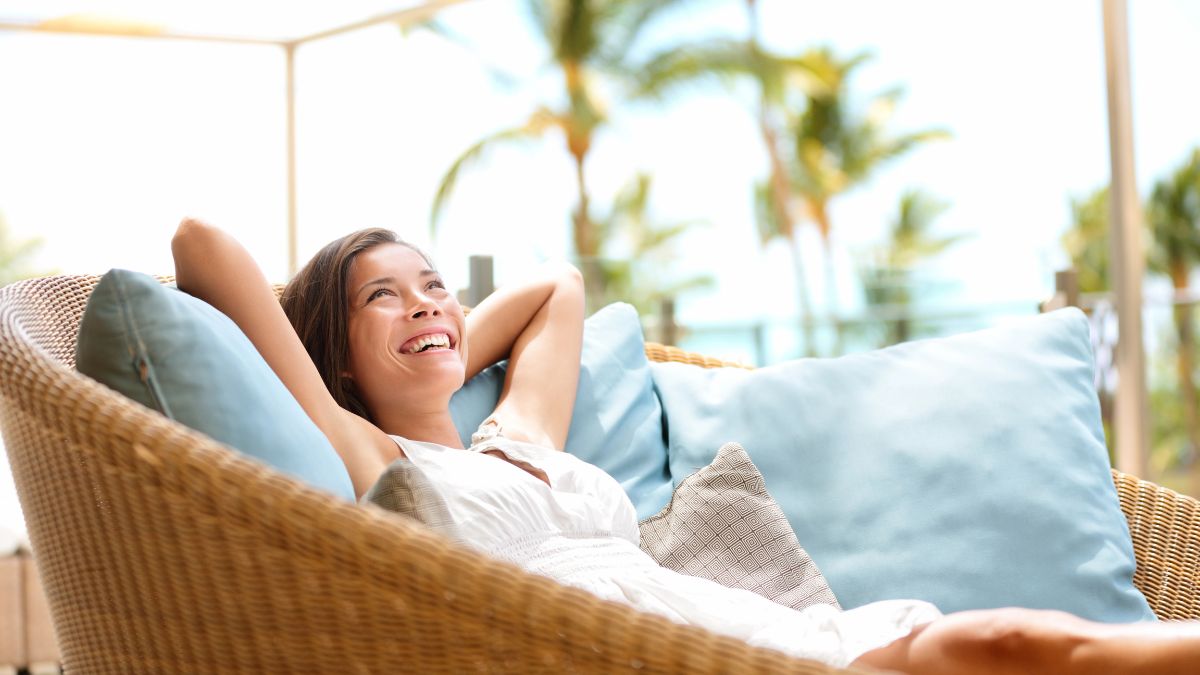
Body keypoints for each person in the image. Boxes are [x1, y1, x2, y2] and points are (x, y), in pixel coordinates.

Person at [172, 217, 1199, 675]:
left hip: (751, 631)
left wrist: (434, 340)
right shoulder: (375, 461)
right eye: (380, 297)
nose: (426, 303)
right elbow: (199, 245)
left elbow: (556, 290)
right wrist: (361, 373)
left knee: (1014, 646)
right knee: (1013, 650)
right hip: (639, 657)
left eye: (435, 282)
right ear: (334, 358)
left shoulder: (517, 435)